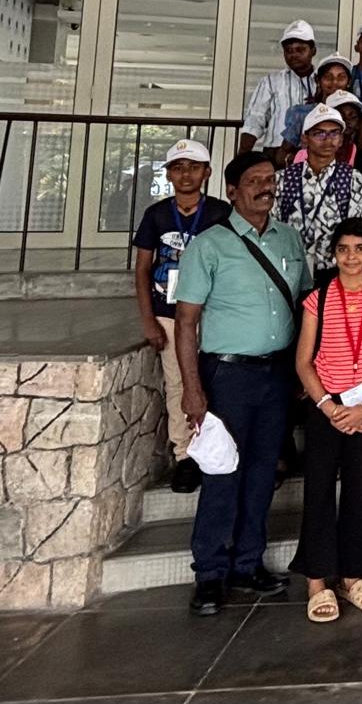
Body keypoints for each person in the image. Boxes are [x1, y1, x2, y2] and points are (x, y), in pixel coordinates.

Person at [175, 152, 312, 616]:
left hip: (277, 374)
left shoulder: (290, 238)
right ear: (232, 191)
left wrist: (303, 370)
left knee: (262, 473)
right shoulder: (209, 245)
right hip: (226, 375)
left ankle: (248, 564)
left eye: (269, 179)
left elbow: (305, 305)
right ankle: (210, 573)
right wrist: (192, 389)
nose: (264, 187)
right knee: (221, 472)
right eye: (253, 181)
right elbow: (186, 322)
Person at [292, 218, 362, 622]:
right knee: (318, 489)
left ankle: (353, 575)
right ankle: (317, 580)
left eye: (359, 249)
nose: (351, 257)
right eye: (343, 249)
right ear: (333, 254)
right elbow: (303, 361)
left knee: (359, 489)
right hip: (326, 407)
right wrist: (327, 406)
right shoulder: (317, 299)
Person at [132, 139, 231, 494]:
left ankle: (217, 448)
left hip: (214, 312)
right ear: (168, 174)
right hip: (169, 313)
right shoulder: (156, 215)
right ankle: (185, 455)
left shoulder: (221, 213)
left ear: (207, 172)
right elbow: (142, 270)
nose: (185, 174)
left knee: (217, 380)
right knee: (177, 383)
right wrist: (149, 320)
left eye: (193, 167)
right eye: (177, 167)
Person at [276, 105, 362, 272]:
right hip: (288, 268)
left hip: (333, 270)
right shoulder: (283, 179)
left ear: (341, 140)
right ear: (305, 139)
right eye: (319, 133)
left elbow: (356, 232)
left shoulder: (353, 179)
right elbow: (274, 227)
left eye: (334, 133)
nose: (328, 140)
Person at [240, 19, 317, 166]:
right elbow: (255, 120)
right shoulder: (271, 81)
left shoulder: (323, 81)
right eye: (289, 51)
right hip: (274, 154)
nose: (293, 55)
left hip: (313, 153)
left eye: (300, 49)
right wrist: (242, 158)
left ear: (313, 51)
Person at [279, 52, 353, 161]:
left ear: (349, 82)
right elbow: (282, 154)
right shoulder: (303, 113)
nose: (335, 82)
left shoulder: (353, 114)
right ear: (318, 80)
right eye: (328, 77)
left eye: (341, 77)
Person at [322, 90, 362, 169]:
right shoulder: (315, 150)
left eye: (352, 117)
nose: (347, 121)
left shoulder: (361, 156)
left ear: (359, 122)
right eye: (341, 116)